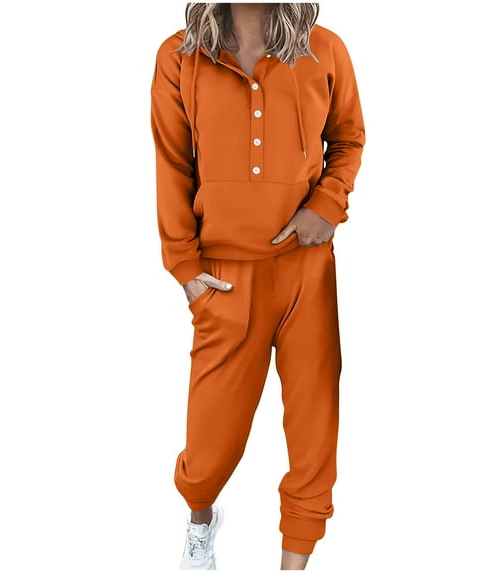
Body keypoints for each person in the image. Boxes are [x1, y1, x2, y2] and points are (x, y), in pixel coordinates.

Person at [150, 2, 365, 569]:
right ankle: (200, 520)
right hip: (222, 279)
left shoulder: (326, 49)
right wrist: (184, 265)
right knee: (209, 449)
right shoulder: (179, 57)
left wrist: (327, 205)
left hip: (306, 271)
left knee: (315, 433)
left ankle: (293, 564)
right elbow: (172, 163)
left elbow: (348, 139)